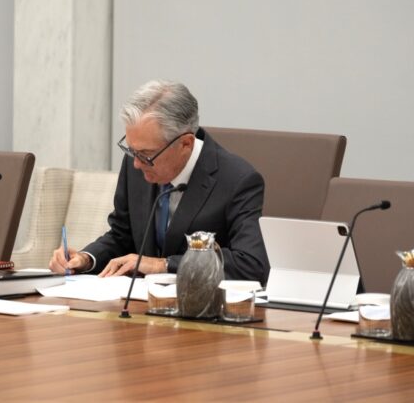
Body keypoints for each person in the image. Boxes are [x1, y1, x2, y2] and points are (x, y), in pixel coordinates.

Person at [49, 80, 269, 284]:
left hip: (200, 312)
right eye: (131, 150)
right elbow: (122, 236)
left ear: (185, 144)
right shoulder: (136, 164)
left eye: (146, 154)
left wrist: (163, 265)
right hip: (138, 307)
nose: (136, 163)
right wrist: (87, 258)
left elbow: (250, 264)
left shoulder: (237, 180)